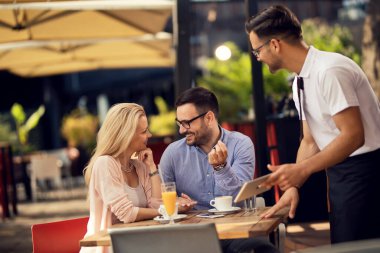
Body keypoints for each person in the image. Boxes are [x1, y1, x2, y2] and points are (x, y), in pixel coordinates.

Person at [245, 5, 380, 244]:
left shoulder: (329, 70)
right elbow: (310, 141)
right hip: (341, 175)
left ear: (275, 45)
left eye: (257, 51)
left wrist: (302, 170)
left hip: (367, 173)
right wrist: (292, 186)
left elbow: (353, 136)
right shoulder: (300, 80)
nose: (258, 58)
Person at [160, 87, 279, 253]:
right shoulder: (172, 155)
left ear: (209, 118)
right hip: (191, 237)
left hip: (235, 233)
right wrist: (176, 204)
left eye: (187, 123)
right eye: (179, 123)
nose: (181, 130)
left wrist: (221, 168)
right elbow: (161, 201)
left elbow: (238, 196)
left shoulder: (241, 144)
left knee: (263, 249)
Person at [80, 103, 192, 253]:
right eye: (144, 131)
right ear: (126, 134)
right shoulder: (105, 164)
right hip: (108, 247)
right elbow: (127, 214)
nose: (149, 135)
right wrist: (168, 210)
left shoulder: (139, 166)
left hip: (135, 244)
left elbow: (155, 203)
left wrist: (152, 167)